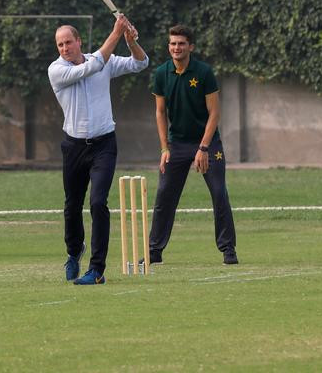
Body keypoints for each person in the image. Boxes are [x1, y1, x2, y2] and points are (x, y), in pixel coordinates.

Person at [48, 15, 148, 285]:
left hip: (104, 145)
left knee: (97, 203)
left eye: (68, 42)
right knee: (72, 206)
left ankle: (97, 270)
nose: (65, 48)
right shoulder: (57, 70)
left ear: (79, 41)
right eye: (60, 44)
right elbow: (90, 68)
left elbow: (141, 63)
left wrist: (130, 41)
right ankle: (73, 251)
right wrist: (116, 33)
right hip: (73, 146)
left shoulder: (102, 61)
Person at [146, 25, 237, 265]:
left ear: (191, 47)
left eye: (181, 44)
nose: (177, 48)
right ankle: (154, 251)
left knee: (219, 193)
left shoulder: (204, 72)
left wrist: (203, 148)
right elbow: (159, 112)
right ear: (169, 47)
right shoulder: (162, 73)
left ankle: (228, 248)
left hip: (208, 143)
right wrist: (164, 148)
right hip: (176, 145)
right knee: (165, 194)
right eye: (173, 43)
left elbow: (215, 113)